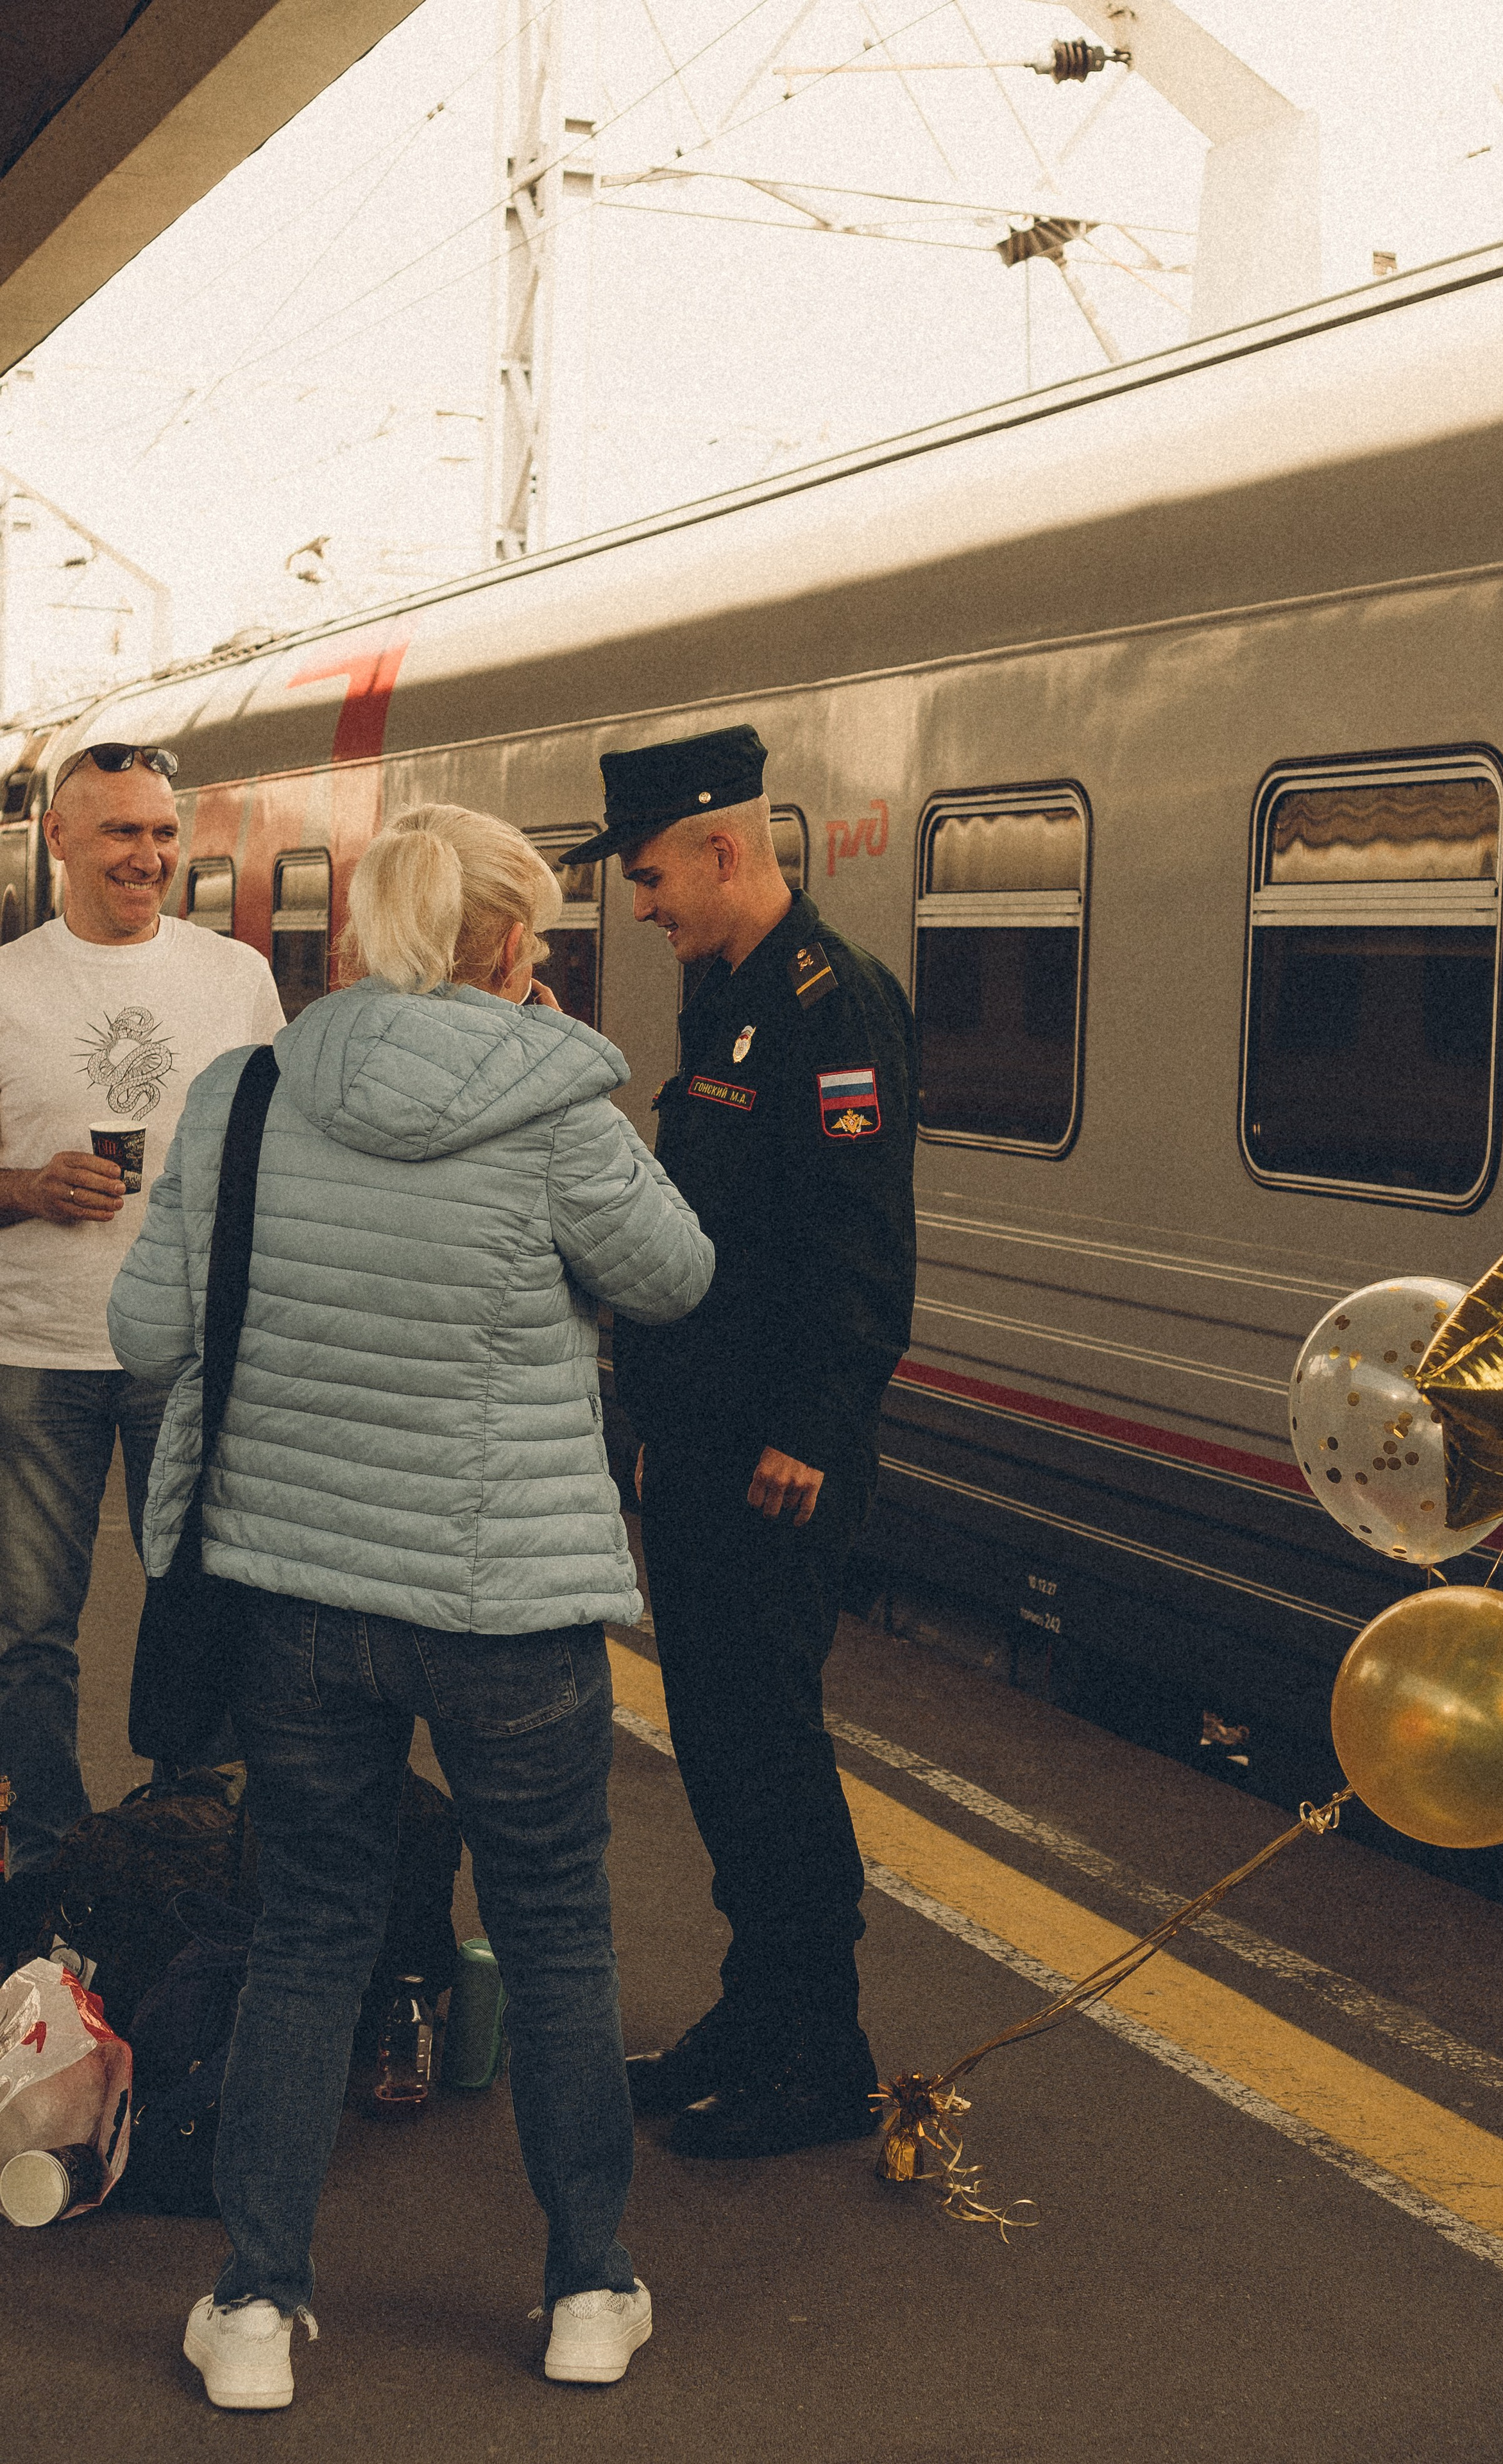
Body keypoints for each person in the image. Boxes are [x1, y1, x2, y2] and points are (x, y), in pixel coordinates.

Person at [108, 803, 713, 2412]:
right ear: (516, 945)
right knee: (557, 1935)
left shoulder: (243, 1097)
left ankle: (253, 2308)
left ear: (359, 930)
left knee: (311, 1927)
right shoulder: (559, 1102)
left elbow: (146, 1331)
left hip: (295, 1595)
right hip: (505, 1602)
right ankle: (587, 2289)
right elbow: (672, 1279)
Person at [560, 724, 918, 2160]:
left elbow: (858, 1252)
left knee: (766, 1743)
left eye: (647, 877)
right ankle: (752, 2010)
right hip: (707, 1444)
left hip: (777, 1457)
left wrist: (810, 1436)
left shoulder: (833, 1007)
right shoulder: (729, 993)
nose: (637, 905)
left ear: (722, 846)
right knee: (714, 1738)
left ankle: (815, 2055)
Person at [0, 741, 285, 1967]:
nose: (150, 857)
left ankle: (183, 1840)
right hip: (37, 1349)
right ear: (58, 839)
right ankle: (53, 1859)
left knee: (199, 1608)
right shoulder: (5, 984)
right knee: (27, 1627)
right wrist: (23, 1185)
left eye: (164, 833)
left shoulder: (239, 978)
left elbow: (289, 1146)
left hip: (185, 1344)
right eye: (121, 832)